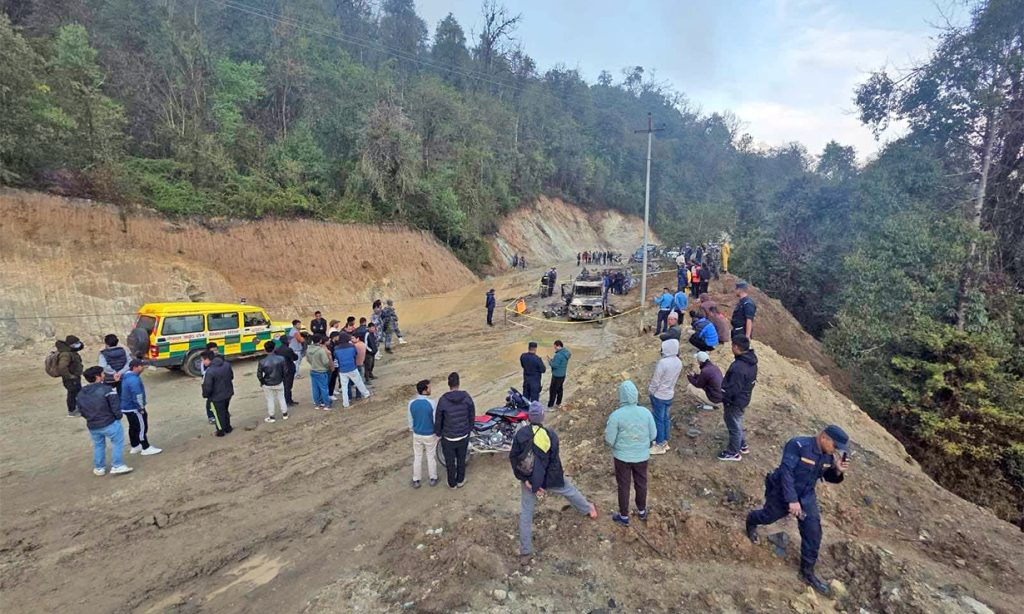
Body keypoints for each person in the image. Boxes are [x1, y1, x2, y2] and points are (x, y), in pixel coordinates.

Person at [746, 426, 851, 595]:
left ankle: (807, 573)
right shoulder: (798, 445)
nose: (836, 450)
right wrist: (792, 500)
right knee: (767, 517)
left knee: (813, 533)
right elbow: (786, 474)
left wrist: (837, 470)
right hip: (782, 492)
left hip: (807, 496)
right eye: (835, 446)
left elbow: (827, 476)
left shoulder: (828, 456)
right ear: (824, 437)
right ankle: (751, 520)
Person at [512, 402, 597, 557]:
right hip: (550, 478)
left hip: (529, 481)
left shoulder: (520, 435)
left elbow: (514, 459)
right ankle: (588, 509)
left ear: (529, 417)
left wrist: (527, 480)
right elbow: (553, 462)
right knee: (569, 490)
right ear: (543, 417)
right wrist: (544, 482)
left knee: (526, 513)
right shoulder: (550, 435)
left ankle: (525, 549)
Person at [605, 381, 657, 526]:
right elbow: (653, 435)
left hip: (622, 458)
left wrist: (619, 446)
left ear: (621, 396)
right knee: (641, 483)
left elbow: (609, 439)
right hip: (642, 457)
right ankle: (641, 511)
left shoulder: (616, 415)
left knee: (624, 485)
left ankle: (624, 516)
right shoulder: (646, 412)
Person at [76, 366, 132, 476]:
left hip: (93, 425)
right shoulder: (107, 390)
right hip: (109, 422)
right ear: (98, 376)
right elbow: (115, 406)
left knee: (99, 445)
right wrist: (118, 417)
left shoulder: (81, 392)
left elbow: (80, 410)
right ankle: (117, 465)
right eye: (102, 374)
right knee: (117, 443)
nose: (104, 375)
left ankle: (99, 468)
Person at [718, 335, 758, 461]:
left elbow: (734, 389)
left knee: (733, 424)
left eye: (732, 345)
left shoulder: (739, 367)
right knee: (737, 421)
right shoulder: (751, 362)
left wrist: (724, 395)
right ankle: (742, 445)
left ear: (736, 347)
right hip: (744, 398)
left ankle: (733, 452)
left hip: (735, 401)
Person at [434, 372, 475, 488]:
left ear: (448, 384)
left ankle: (452, 484)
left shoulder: (443, 400)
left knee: (450, 462)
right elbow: (472, 415)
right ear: (458, 383)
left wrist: (438, 432)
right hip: (463, 435)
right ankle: (460, 480)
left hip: (448, 437)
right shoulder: (467, 397)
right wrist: (469, 429)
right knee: (461, 459)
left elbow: (439, 418)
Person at [120, 359, 162, 456]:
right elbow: (137, 395)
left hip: (127, 407)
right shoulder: (134, 380)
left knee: (133, 426)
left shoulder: (126, 377)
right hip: (135, 408)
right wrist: (141, 407)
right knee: (142, 427)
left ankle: (135, 445)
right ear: (135, 367)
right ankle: (145, 447)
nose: (143, 368)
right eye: (141, 366)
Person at [648, 338, 682, 455]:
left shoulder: (663, 363)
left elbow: (656, 381)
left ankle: (659, 444)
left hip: (659, 395)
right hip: (669, 394)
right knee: (665, 418)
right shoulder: (678, 361)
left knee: (658, 419)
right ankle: (665, 441)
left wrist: (651, 391)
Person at [408, 379, 438, 488]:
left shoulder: (411, 403)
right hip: (429, 434)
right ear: (425, 390)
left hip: (417, 434)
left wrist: (413, 430)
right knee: (430, 456)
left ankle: (416, 479)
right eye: (429, 387)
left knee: (418, 457)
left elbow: (410, 420)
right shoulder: (432, 403)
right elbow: (435, 420)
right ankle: (433, 478)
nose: (431, 389)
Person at [201, 350, 234, 436]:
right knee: (225, 411)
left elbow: (207, 387)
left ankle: (220, 431)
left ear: (207, 359)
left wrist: (205, 395)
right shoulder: (226, 364)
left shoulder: (210, 371)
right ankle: (228, 428)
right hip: (228, 393)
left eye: (203, 360)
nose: (202, 362)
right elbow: (231, 376)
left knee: (218, 414)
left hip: (216, 397)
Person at [332, 333, 370, 408]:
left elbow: (336, 358)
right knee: (359, 382)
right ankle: (366, 394)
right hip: (352, 368)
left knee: (344, 387)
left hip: (342, 370)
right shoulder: (352, 347)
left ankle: (345, 403)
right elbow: (355, 354)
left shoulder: (336, 349)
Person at [257, 340, 288, 423]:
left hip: (267, 383)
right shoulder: (281, 359)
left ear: (265, 349)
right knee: (282, 398)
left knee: (270, 400)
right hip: (279, 381)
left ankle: (272, 417)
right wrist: (282, 379)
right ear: (274, 348)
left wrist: (262, 382)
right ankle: (285, 414)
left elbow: (259, 374)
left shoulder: (262, 361)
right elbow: (285, 371)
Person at [55, 335, 85, 417]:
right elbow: (62, 367)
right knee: (72, 394)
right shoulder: (66, 354)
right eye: (76, 343)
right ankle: (72, 411)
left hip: (74, 377)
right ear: (71, 344)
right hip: (71, 378)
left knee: (77, 392)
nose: (78, 344)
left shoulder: (71, 351)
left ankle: (77, 408)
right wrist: (70, 376)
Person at [306, 334, 333, 411]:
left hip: (313, 370)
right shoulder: (321, 350)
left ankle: (317, 404)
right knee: (324, 388)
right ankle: (326, 404)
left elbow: (308, 359)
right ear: (320, 341)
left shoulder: (308, 349)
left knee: (315, 388)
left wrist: (314, 364)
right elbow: (325, 362)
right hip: (321, 371)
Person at [547, 340, 571, 409]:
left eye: (555, 347)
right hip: (562, 375)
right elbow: (560, 362)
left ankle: (550, 406)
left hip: (556, 376)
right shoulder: (566, 352)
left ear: (558, 346)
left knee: (552, 391)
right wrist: (553, 359)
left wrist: (549, 361)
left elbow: (554, 365)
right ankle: (558, 402)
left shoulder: (558, 355)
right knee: (560, 389)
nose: (554, 348)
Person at [199, 342, 219, 424]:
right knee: (210, 401)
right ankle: (211, 416)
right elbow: (203, 373)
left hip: (218, 382)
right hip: (209, 383)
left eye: (216, 350)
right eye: (213, 350)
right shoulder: (205, 362)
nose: (215, 352)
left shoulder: (219, 358)